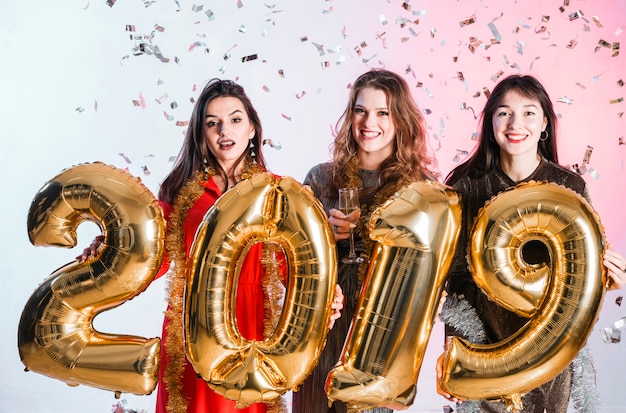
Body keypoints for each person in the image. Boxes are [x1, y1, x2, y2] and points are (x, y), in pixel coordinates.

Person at [79, 78, 343, 413]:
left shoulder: (275, 193)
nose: (224, 132)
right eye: (212, 123)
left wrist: (324, 293)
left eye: (235, 120)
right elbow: (152, 255)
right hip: (193, 329)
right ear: (201, 134)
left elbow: (295, 264)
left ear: (252, 129)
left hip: (252, 327)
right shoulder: (181, 193)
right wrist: (112, 246)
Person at [435, 74, 626, 413]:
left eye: (528, 113)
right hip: (484, 349)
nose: (515, 123)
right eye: (504, 112)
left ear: (544, 125)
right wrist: (454, 347)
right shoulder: (466, 186)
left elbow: (581, 275)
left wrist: (605, 282)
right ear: (491, 122)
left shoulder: (569, 187)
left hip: (548, 355)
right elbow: (457, 280)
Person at [292, 69, 439, 413]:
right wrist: (324, 236)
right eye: (360, 110)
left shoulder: (422, 188)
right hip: (325, 324)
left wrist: (372, 236)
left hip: (383, 332)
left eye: (382, 112)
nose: (368, 121)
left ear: (400, 119)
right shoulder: (321, 178)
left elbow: (429, 273)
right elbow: (293, 260)